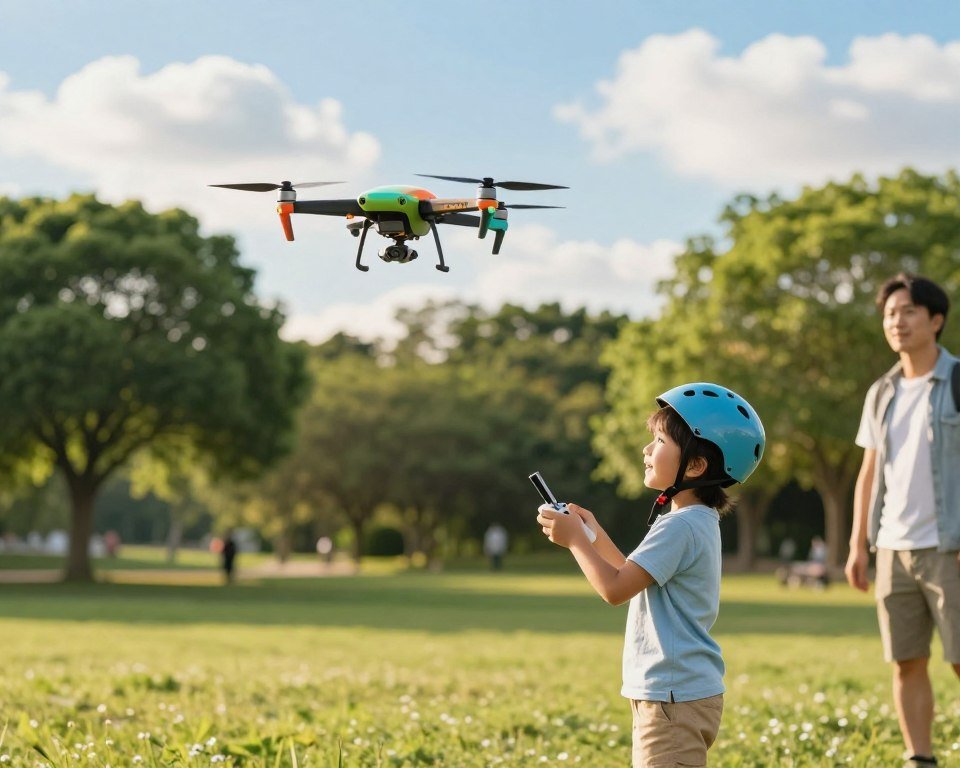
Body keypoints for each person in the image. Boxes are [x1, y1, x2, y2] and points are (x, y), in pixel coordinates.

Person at [537, 382, 765, 767]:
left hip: (672, 697)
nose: (646, 449)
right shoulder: (692, 520)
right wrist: (593, 534)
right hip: (676, 693)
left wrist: (576, 542)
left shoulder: (679, 527)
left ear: (695, 465)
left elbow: (614, 588)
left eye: (659, 440)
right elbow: (632, 571)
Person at [845, 273, 960, 768]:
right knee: (906, 661)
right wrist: (857, 545)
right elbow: (869, 472)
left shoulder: (957, 381)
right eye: (890, 313)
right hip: (893, 546)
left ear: (936, 320)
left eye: (909, 310)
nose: (897, 321)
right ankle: (920, 758)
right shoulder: (881, 392)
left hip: (950, 546)